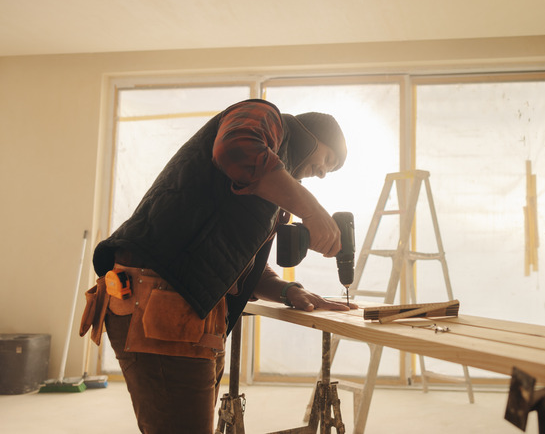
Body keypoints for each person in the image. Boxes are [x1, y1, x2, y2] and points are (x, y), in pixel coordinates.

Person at [79, 98, 357, 434]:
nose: (323, 173)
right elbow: (236, 147)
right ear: (310, 135)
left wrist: (289, 290)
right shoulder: (266, 116)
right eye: (328, 160)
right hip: (160, 303)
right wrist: (312, 211)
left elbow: (238, 265)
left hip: (189, 313)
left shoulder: (270, 192)